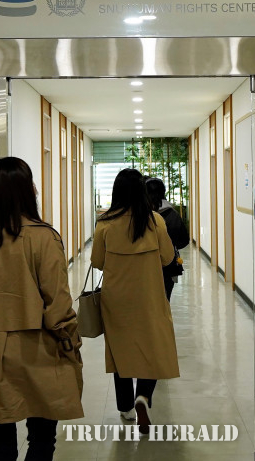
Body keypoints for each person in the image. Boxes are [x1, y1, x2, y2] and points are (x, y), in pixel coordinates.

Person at [0, 157, 83, 461]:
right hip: (38, 349)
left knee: (0, 444)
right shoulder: (44, 237)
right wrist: (70, 343)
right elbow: (58, 303)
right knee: (42, 438)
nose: (35, 188)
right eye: (31, 182)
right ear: (25, 190)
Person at [90, 168, 180, 434]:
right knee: (152, 347)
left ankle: (126, 407)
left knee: (120, 351)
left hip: (116, 299)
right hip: (150, 297)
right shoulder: (154, 221)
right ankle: (143, 396)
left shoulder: (105, 223)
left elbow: (97, 262)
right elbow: (167, 258)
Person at [145, 177, 189, 300]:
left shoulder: (141, 215)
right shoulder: (173, 214)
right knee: (165, 299)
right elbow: (184, 240)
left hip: (145, 264)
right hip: (168, 265)